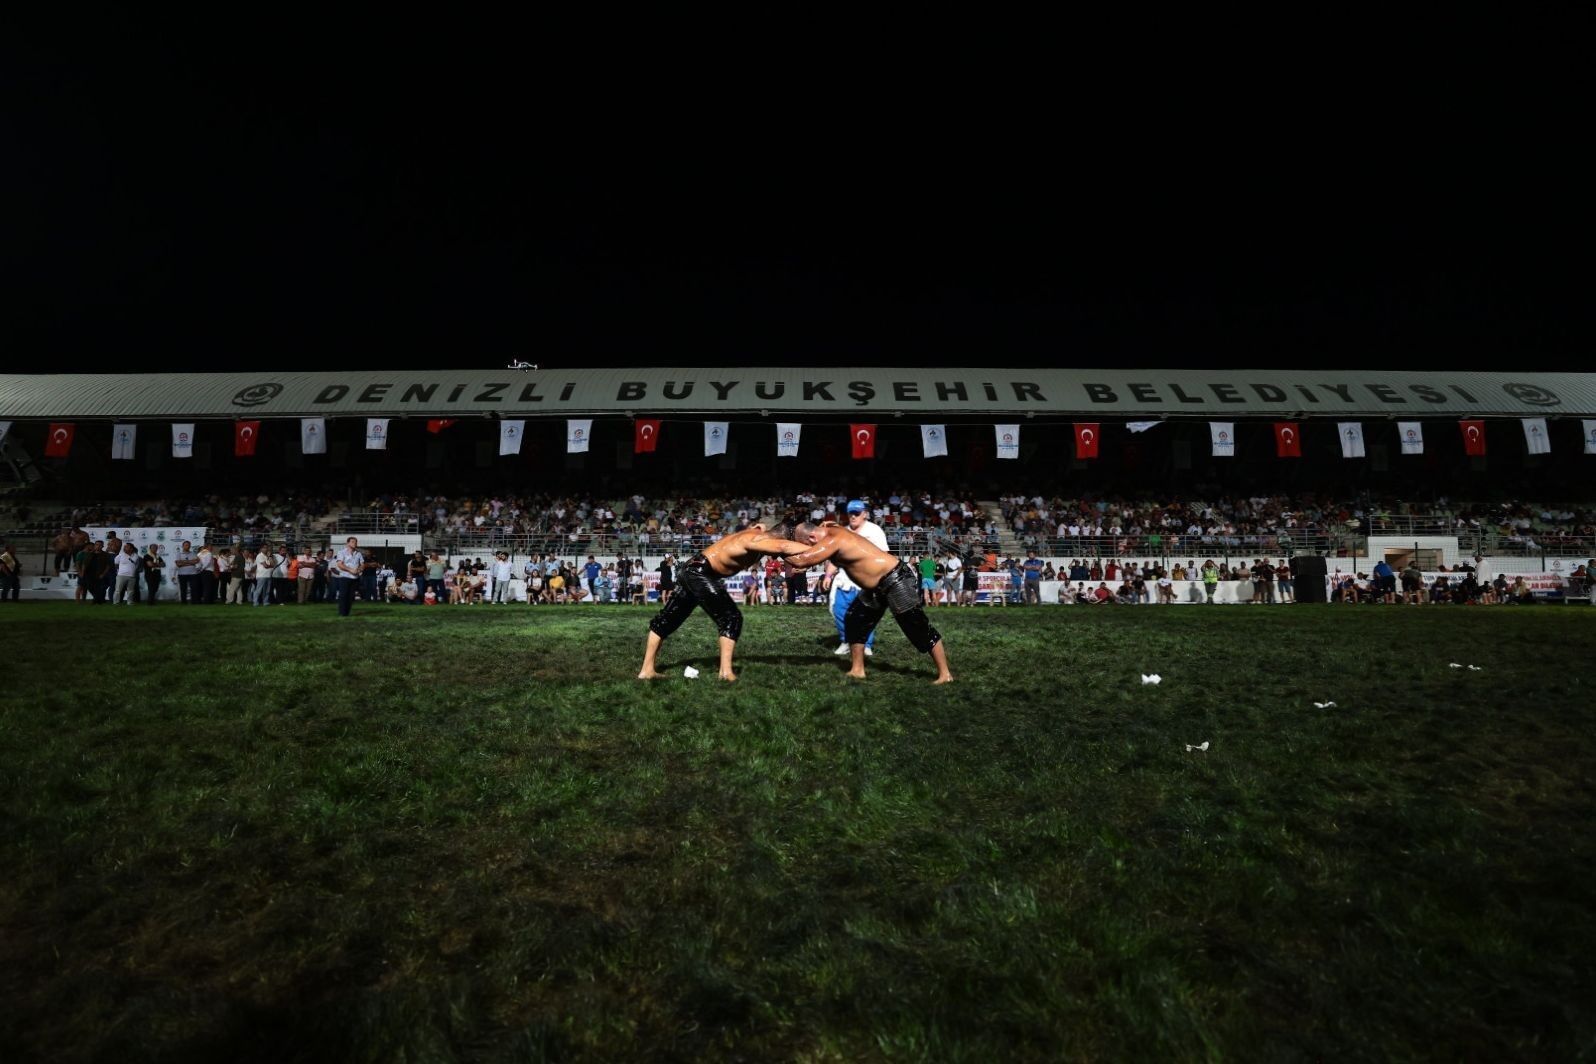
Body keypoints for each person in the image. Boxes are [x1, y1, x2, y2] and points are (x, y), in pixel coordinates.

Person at [637, 523, 811, 682]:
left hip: (692, 570)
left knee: (666, 620)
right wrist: (821, 548)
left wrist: (805, 560)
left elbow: (786, 552)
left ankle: (646, 670)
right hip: (700, 572)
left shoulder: (758, 537)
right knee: (731, 618)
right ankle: (725, 673)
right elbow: (783, 546)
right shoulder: (757, 538)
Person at [787, 521, 953, 684]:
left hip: (895, 578)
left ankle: (945, 674)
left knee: (917, 625)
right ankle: (857, 670)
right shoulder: (830, 532)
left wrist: (767, 546)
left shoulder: (833, 538)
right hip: (876, 585)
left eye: (805, 544)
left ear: (812, 537)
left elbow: (801, 560)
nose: (808, 548)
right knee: (854, 619)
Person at [829, 500, 890, 656]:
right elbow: (835, 557)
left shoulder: (875, 531)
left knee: (865, 615)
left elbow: (884, 555)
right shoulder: (842, 532)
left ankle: (866, 644)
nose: (854, 516)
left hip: (866, 581)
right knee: (839, 611)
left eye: (857, 513)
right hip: (844, 580)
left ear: (865, 514)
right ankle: (846, 641)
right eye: (851, 513)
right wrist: (828, 574)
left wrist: (880, 578)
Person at [331, 536, 364, 616]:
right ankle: (342, 613)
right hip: (344, 577)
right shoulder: (341, 552)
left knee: (351, 596)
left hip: (354, 578)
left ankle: (347, 612)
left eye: (356, 542)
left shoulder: (358, 553)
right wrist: (350, 570)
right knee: (343, 595)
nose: (355, 543)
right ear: (348, 543)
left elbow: (362, 564)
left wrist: (359, 569)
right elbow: (340, 564)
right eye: (353, 542)